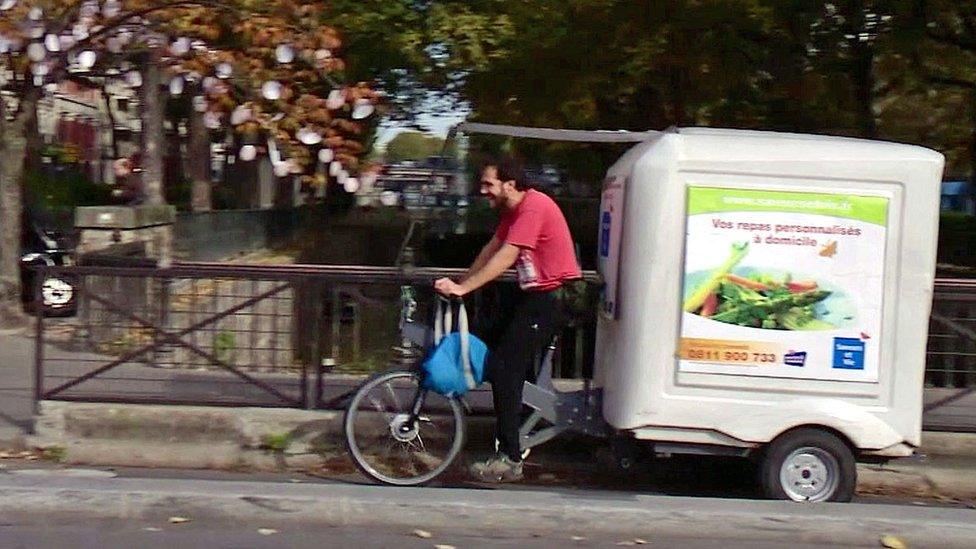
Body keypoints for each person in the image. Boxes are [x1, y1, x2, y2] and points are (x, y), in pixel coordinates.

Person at [434, 156, 581, 482]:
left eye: (488, 184)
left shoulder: (534, 206)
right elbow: (490, 249)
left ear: (509, 185)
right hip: (530, 296)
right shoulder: (513, 211)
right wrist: (460, 284)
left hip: (549, 299)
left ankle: (511, 457)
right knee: (482, 341)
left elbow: (507, 255)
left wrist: (464, 288)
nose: (482, 191)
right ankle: (504, 413)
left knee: (505, 369)